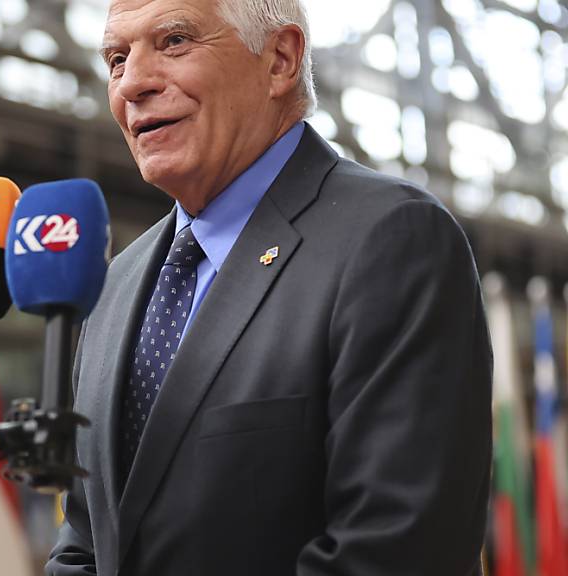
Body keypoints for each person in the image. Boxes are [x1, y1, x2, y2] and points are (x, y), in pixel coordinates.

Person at [46, 0, 492, 574]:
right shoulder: (112, 285)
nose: (131, 83)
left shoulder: (394, 240)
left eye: (175, 40)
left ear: (280, 59)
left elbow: (396, 551)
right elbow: (84, 541)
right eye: (116, 59)